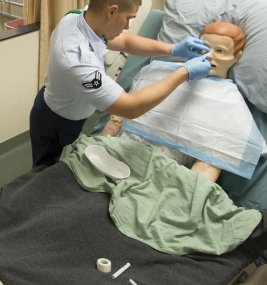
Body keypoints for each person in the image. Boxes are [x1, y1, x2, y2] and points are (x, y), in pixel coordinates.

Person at [29, 0, 211, 167]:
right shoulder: (78, 60)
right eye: (128, 18)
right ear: (112, 11)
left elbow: (124, 41)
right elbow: (131, 107)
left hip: (66, 107)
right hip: (58, 122)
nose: (127, 26)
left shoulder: (79, 18)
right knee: (46, 174)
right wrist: (184, 72)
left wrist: (172, 49)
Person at [101, 21, 250, 181]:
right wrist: (99, 144)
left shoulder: (230, 102)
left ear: (236, 56)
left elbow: (208, 165)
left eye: (220, 51)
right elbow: (116, 121)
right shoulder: (157, 72)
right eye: (204, 48)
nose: (208, 56)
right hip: (117, 152)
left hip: (159, 173)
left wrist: (180, 197)